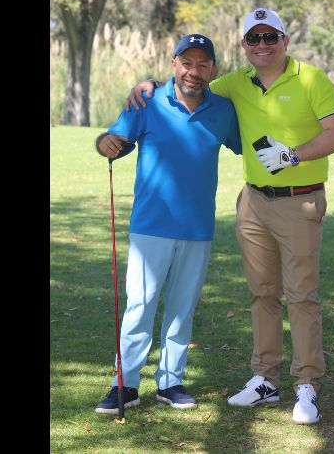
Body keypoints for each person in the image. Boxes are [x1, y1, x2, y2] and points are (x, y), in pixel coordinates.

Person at [124, 8, 334, 425]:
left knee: (302, 294)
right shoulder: (235, 82)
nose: (262, 45)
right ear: (244, 45)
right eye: (253, 39)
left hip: (299, 201)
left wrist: (295, 155)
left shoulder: (311, 79)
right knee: (262, 292)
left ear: (284, 40)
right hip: (253, 202)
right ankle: (264, 378)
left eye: (270, 37)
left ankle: (306, 384)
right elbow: (192, 83)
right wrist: (150, 85)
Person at [93, 34, 242, 415]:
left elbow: (247, 145)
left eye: (203, 64)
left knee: (182, 307)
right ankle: (124, 385)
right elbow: (113, 139)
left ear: (213, 69)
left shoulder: (224, 110)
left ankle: (170, 381)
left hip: (198, 228)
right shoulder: (147, 100)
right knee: (140, 306)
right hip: (150, 226)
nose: (194, 71)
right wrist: (106, 142)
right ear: (173, 63)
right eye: (187, 62)